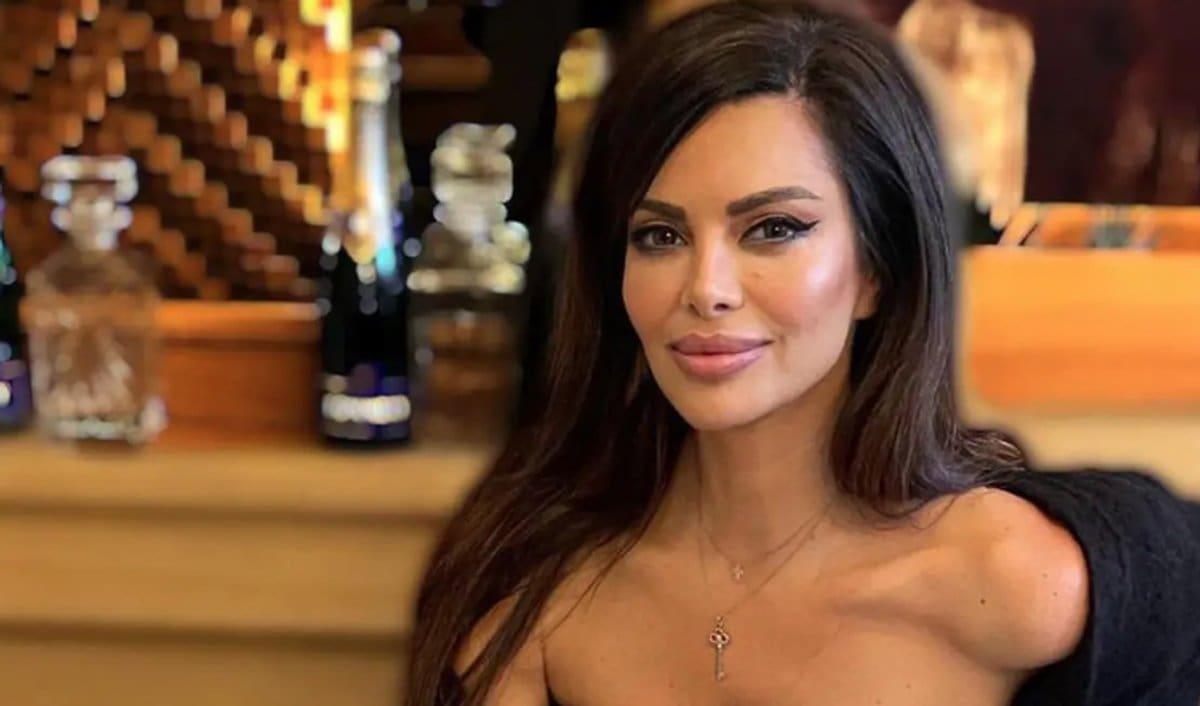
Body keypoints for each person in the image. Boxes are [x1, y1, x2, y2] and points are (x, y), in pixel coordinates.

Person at [405, 3, 1200, 706]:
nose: (706, 289)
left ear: (877, 271)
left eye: (774, 229)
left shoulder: (1017, 581)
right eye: (661, 236)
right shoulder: (537, 599)